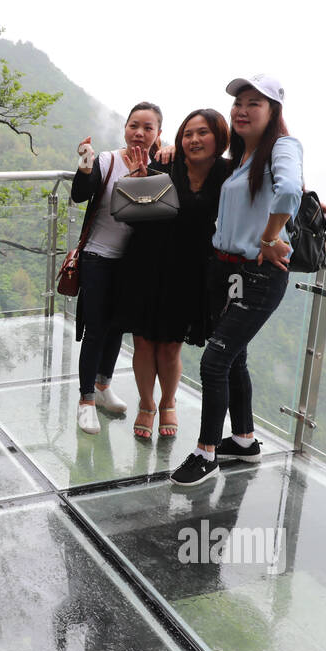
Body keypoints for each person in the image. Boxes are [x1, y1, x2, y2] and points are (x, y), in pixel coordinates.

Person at [171, 74, 302, 486]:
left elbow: (290, 190)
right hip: (227, 270)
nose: (242, 110)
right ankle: (244, 441)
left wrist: (268, 237)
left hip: (259, 273)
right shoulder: (245, 156)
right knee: (235, 358)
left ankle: (205, 452)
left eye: (253, 103)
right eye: (238, 103)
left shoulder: (282, 146)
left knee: (215, 360)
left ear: (273, 111)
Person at [118, 109, 232, 440]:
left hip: (191, 271)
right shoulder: (165, 165)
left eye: (203, 133)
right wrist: (139, 181)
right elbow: (135, 214)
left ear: (219, 138)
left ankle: (168, 402)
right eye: (188, 134)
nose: (194, 140)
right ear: (179, 139)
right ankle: (146, 403)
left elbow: (267, 185)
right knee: (142, 341)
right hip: (145, 262)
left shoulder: (229, 173)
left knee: (170, 346)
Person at [71, 102, 163, 434]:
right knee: (96, 330)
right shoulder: (107, 161)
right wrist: (85, 161)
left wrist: (143, 180)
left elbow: (152, 221)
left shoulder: (159, 171)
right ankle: (85, 401)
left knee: (117, 327)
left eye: (148, 128)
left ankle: (102, 386)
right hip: (98, 256)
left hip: (132, 264)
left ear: (158, 134)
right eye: (134, 125)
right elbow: (79, 195)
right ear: (124, 127)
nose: (140, 133)